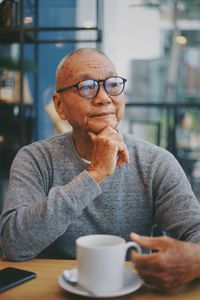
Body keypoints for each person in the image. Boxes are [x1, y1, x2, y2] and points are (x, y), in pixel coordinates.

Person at [1, 48, 200, 291]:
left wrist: (194, 259)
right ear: (60, 106)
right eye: (87, 86)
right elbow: (13, 243)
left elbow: (195, 232)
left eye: (112, 84)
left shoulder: (156, 163)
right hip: (52, 290)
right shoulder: (35, 159)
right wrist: (94, 174)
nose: (104, 97)